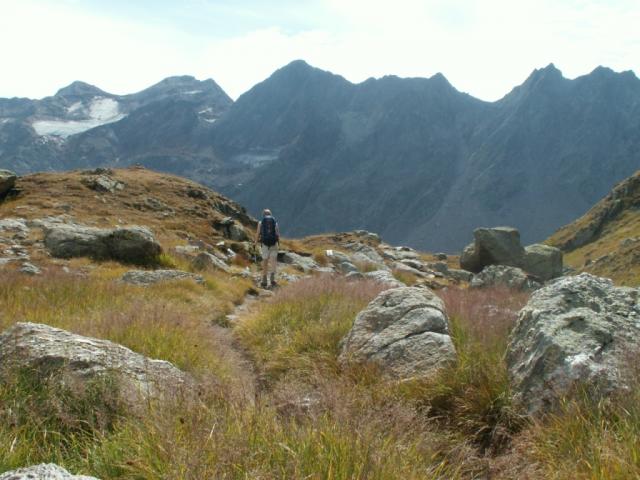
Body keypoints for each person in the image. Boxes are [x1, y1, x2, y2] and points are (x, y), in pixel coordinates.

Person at [255, 208, 280, 288]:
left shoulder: (261, 222)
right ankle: (272, 279)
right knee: (273, 261)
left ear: (263, 215)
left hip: (265, 244)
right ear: (271, 214)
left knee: (265, 261)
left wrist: (255, 242)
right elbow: (278, 234)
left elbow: (258, 233)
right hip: (273, 244)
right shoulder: (275, 223)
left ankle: (264, 280)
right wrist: (278, 243)